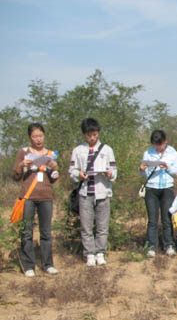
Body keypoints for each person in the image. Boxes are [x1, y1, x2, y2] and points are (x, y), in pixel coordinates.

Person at [69, 117, 117, 266]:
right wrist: (79, 174)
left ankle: (101, 252)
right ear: (84, 134)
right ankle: (89, 253)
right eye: (89, 135)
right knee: (86, 226)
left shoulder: (107, 150)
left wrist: (110, 174)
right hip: (85, 193)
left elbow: (114, 170)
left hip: (102, 192)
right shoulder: (78, 150)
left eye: (95, 134)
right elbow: (72, 170)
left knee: (102, 226)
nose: (92, 138)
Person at [14, 123, 59, 276]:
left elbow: (53, 179)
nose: (38, 139)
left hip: (46, 196)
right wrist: (21, 165)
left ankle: (48, 264)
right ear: (29, 137)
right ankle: (28, 266)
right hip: (28, 196)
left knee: (46, 232)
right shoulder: (23, 152)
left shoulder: (50, 154)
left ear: (44, 136)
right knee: (27, 232)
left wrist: (54, 169)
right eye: (35, 136)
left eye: (40, 136)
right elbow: (16, 176)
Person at [139, 130, 177, 257]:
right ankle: (152, 246)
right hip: (152, 188)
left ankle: (169, 245)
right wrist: (141, 169)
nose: (158, 147)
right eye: (155, 145)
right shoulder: (148, 152)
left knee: (167, 218)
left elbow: (176, 171)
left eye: (160, 144)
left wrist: (168, 168)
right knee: (152, 220)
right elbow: (143, 173)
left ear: (165, 141)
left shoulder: (172, 152)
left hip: (167, 187)